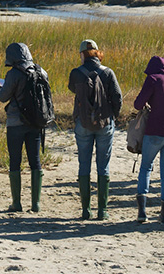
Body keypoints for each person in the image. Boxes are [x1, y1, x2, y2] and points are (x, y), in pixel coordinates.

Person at [68, 39, 123, 220]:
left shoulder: (76, 73)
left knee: (84, 164)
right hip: (104, 123)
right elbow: (118, 98)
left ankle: (85, 210)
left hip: (83, 123)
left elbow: (71, 89)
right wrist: (112, 116)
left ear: (82, 54)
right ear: (98, 53)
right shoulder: (108, 72)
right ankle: (103, 210)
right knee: (103, 166)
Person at [0, 42, 49, 213]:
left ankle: (16, 203)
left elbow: (3, 97)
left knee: (15, 161)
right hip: (35, 122)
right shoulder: (41, 72)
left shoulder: (13, 74)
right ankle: (36, 204)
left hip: (15, 122)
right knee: (35, 161)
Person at [133, 56, 164, 224]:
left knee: (146, 167)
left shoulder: (152, 79)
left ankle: (142, 212)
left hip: (155, 129)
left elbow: (138, 104)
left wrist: (149, 104)